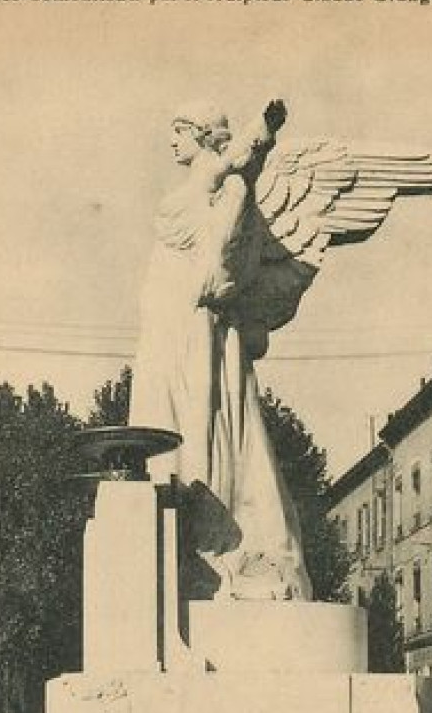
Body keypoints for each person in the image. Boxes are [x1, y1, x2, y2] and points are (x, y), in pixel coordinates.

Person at [129, 98, 311, 602]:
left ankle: (205, 530)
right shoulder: (201, 183)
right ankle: (185, 516)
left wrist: (265, 129)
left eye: (179, 130)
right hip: (168, 322)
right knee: (173, 416)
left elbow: (243, 162)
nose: (171, 140)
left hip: (192, 323)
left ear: (200, 136)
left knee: (194, 421)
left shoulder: (220, 178)